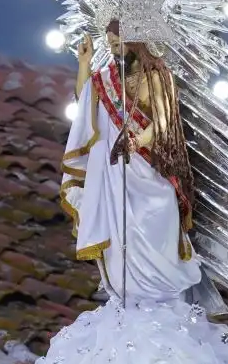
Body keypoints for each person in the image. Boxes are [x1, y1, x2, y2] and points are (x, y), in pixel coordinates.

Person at [61, 18, 201, 305]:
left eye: (118, 44)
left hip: (149, 169)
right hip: (113, 175)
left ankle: (160, 298)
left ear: (136, 42)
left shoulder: (158, 76)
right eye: (110, 45)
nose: (113, 50)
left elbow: (162, 123)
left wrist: (137, 141)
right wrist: (84, 64)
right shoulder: (104, 79)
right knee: (117, 230)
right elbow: (85, 104)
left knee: (158, 217)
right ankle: (129, 298)